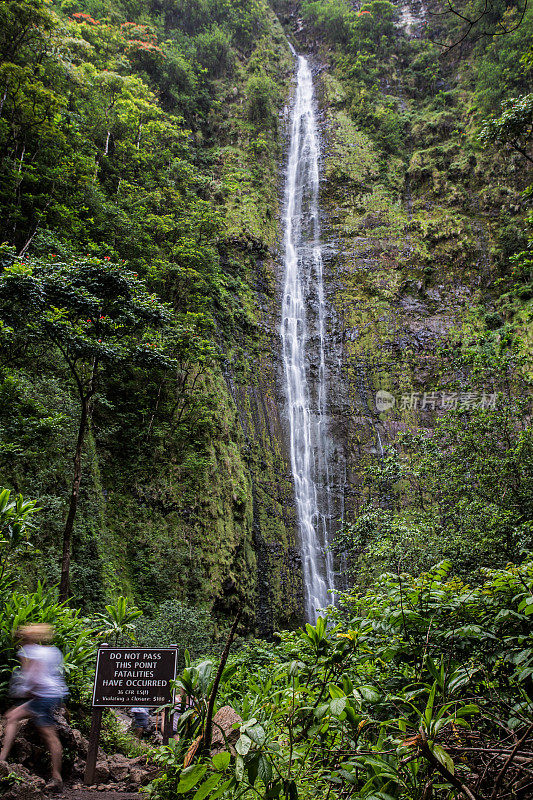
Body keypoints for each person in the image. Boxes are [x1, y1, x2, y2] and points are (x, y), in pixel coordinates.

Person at [0, 624, 67, 792]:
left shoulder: (29, 652)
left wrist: (23, 690)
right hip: (52, 695)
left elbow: (33, 677)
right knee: (12, 716)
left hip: (43, 696)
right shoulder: (52, 651)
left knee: (49, 735)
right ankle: (2, 758)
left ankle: (57, 778)